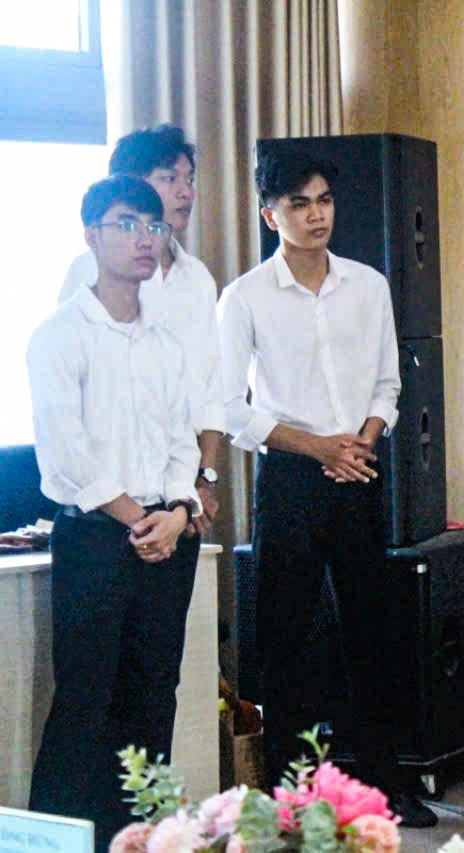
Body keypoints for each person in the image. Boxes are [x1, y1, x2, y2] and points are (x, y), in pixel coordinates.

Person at [217, 145, 435, 826]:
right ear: (269, 212)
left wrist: (362, 440)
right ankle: (290, 799)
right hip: (289, 475)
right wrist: (316, 446)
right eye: (299, 203)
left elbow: (388, 382)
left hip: (361, 467)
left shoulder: (367, 284)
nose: (316, 216)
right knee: (284, 642)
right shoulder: (245, 296)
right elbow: (229, 407)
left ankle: (384, 789)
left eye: (325, 201)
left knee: (374, 632)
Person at [27, 176, 203, 851]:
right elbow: (68, 456)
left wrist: (181, 509)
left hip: (167, 537)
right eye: (126, 223)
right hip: (98, 540)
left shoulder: (166, 338)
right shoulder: (58, 334)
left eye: (153, 227)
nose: (142, 239)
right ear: (91, 235)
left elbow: (182, 441)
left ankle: (141, 841)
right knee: (84, 707)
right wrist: (143, 518)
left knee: (153, 704)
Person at [59, 124, 222, 535]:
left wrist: (204, 479)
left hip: (179, 498)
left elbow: (209, 387)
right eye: (169, 179)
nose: (186, 192)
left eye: (189, 180)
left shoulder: (197, 277)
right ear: (129, 187)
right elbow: (73, 398)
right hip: (107, 499)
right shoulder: (88, 271)